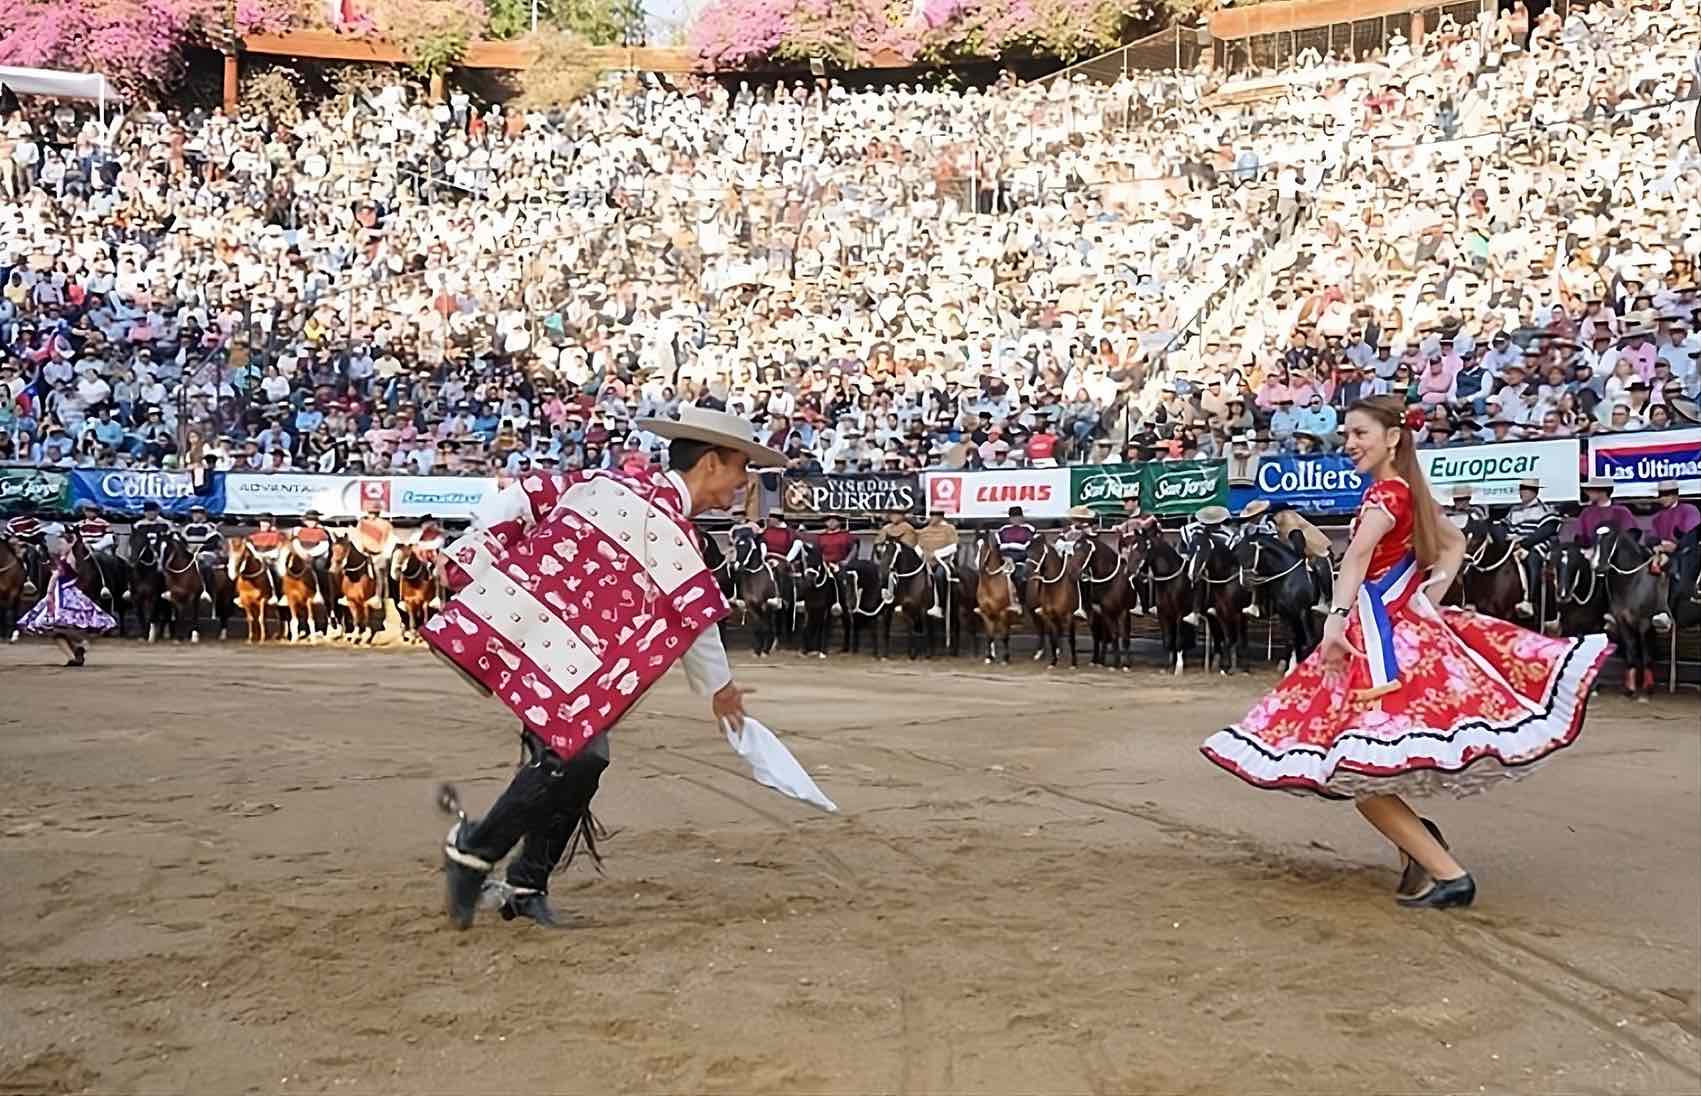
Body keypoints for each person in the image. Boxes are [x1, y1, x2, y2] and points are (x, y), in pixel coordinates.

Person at [1200, 395, 1611, 909]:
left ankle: (1446, 870)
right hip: (1398, 628)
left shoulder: (1385, 498)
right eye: (1346, 435)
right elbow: (1455, 542)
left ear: (1392, 437)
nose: (1348, 444)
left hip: (1378, 639)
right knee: (1359, 765)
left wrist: (1334, 619)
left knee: (1356, 770)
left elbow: (1355, 559)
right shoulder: (1408, 492)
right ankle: (1422, 848)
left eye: (1359, 434)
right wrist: (1429, 593)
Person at [431, 405, 782, 931]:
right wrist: (475, 554)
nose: (742, 482)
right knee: (577, 756)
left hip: (556, 654)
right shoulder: (657, 520)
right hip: (555, 655)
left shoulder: (605, 487)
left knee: (582, 761)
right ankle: (475, 853)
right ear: (711, 464)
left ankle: (525, 883)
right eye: (739, 468)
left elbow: (522, 497)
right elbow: (693, 610)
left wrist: (476, 547)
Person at [17, 526, 116, 666]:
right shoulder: (63, 557)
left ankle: (81, 643)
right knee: (54, 630)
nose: (59, 546)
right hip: (55, 595)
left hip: (65, 595)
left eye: (61, 543)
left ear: (70, 544)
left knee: (60, 626)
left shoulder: (71, 559)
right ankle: (73, 656)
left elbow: (69, 572)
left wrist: (73, 543)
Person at [1239, 498, 1334, 616]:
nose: (1249, 520)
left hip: (1316, 548)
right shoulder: (1263, 523)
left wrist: (1298, 559)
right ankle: (1258, 604)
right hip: (1294, 547)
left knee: (1319, 566)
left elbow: (1297, 538)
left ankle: (1326, 601)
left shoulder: (1286, 518)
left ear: (1259, 514)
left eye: (1251, 517)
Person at [1504, 477, 1561, 620]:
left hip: (1536, 545)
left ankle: (1528, 600)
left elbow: (1547, 530)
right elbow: (1505, 527)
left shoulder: (1545, 509)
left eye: (1524, 490)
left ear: (1534, 492)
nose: (1521, 493)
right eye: (1521, 489)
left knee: (1533, 558)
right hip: (1514, 544)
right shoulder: (1514, 510)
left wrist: (1524, 544)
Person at [1650, 481, 1700, 631]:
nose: (1662, 498)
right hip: (1664, 553)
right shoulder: (1657, 517)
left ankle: (1670, 609)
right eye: (1661, 495)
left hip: (1687, 552)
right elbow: (1652, 536)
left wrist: (1675, 546)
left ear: (1674, 495)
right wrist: (1657, 546)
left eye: (1666, 495)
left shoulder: (1689, 511)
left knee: (1678, 568)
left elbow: (1690, 535)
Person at [1180, 505, 1232, 626]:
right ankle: (1194, 611)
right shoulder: (1190, 530)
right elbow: (1184, 549)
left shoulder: (1227, 534)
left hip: (1219, 568)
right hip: (1195, 562)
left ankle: (1214, 605)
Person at [1112, 497, 1161, 617]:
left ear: (1135, 502)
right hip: (1131, 553)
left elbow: (1153, 530)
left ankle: (1148, 605)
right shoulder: (1125, 520)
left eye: (1127, 501)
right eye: (1124, 501)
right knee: (1128, 575)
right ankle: (1135, 604)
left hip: (1145, 552)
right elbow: (1120, 534)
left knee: (1144, 575)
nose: (1125, 504)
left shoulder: (1146, 516)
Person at [915, 512, 959, 620]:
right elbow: (918, 546)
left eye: (933, 516)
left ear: (940, 517)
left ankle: (940, 606)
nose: (931, 518)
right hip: (925, 562)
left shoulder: (949, 529)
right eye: (930, 516)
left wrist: (937, 553)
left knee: (939, 575)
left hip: (943, 563)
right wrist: (921, 553)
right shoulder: (924, 531)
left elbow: (954, 546)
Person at [353, 503, 396, 607]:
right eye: (370, 513)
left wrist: (384, 553)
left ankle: (380, 597)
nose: (371, 515)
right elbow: (358, 537)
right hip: (364, 553)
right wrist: (361, 550)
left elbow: (390, 539)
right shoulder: (362, 523)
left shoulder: (386, 525)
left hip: (380, 553)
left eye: (373, 513)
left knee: (379, 573)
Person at [1572, 479, 1637, 547]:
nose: (1587, 492)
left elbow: (1631, 535)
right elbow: (1580, 538)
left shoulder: (1622, 512)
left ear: (1602, 492)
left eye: (1590, 489)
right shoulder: (1586, 513)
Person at [181, 504, 223, 604]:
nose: (195, 516)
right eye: (193, 514)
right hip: (190, 554)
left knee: (205, 566)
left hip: (206, 553)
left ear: (203, 515)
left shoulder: (210, 526)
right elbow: (182, 541)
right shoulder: (187, 527)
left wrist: (200, 550)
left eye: (197, 513)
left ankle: (207, 591)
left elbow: (213, 541)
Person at [294, 509, 335, 610]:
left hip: (319, 556)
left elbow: (324, 546)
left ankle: (322, 592)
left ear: (317, 521)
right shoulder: (300, 531)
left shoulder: (323, 532)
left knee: (319, 568)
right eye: (309, 520)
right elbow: (296, 543)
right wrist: (303, 554)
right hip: (303, 555)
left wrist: (311, 555)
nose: (311, 522)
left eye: (313, 520)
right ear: (305, 521)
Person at [995, 506, 1036, 599]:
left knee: (1019, 575)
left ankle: (1020, 599)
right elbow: (997, 546)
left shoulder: (1028, 529)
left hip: (1020, 559)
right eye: (1013, 517)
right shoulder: (1003, 530)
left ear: (1022, 517)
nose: (1015, 519)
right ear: (1009, 518)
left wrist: (1013, 559)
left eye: (1018, 517)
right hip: (1003, 559)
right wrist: (1004, 557)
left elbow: (1028, 546)